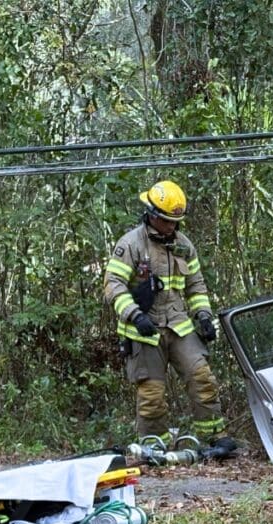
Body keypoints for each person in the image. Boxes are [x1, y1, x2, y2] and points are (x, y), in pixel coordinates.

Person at [103, 180, 234, 450]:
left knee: (202, 379)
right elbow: (113, 285)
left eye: (176, 222)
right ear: (152, 215)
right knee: (152, 395)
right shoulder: (131, 244)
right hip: (144, 330)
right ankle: (155, 446)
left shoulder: (184, 245)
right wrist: (135, 316)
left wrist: (203, 315)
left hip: (179, 326)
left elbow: (196, 285)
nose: (172, 227)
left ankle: (215, 437)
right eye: (166, 221)